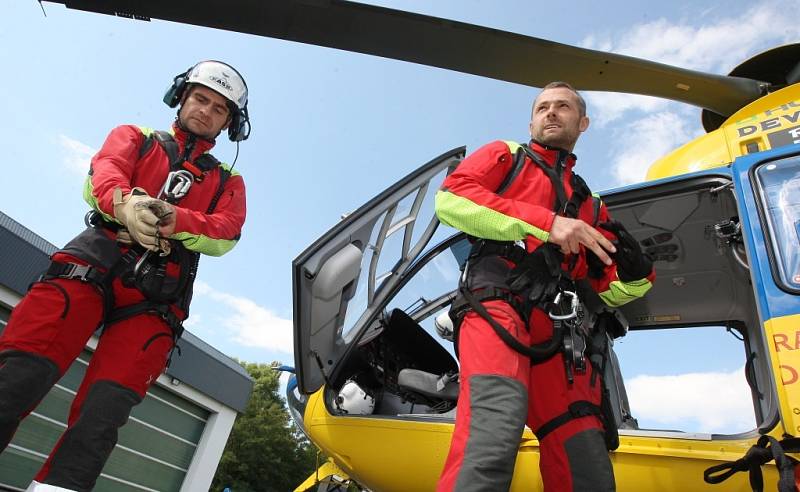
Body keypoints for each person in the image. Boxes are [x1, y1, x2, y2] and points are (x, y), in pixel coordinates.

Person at [0, 60, 250, 492]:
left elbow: (226, 232)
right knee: (16, 373)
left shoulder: (229, 180)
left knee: (104, 413)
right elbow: (103, 172)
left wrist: (176, 218)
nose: (206, 111)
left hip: (158, 293)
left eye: (220, 109)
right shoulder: (136, 137)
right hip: (92, 260)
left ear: (229, 123)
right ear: (182, 98)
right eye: (201, 98)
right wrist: (125, 204)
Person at [435, 82, 655, 491]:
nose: (551, 113)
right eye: (543, 107)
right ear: (532, 120)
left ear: (583, 122)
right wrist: (547, 223)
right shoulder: (507, 155)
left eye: (563, 107)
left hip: (561, 331)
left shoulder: (591, 204)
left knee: (585, 454)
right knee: (493, 427)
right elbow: (452, 201)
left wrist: (637, 274)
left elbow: (609, 292)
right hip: (496, 305)